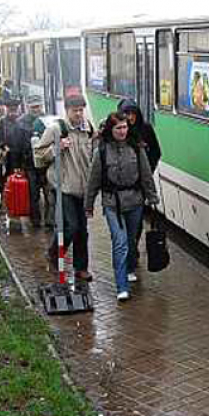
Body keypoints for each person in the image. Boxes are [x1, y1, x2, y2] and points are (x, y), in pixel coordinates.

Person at [85, 112, 159, 302]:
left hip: (135, 202)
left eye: (125, 127)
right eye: (118, 128)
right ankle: (121, 286)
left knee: (131, 240)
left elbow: (145, 174)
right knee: (120, 242)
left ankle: (129, 268)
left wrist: (152, 197)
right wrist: (89, 205)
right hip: (112, 204)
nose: (122, 131)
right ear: (111, 130)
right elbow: (93, 181)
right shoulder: (101, 151)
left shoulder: (136, 148)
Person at [35, 95, 95, 282]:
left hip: (82, 188)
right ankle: (53, 254)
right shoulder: (56, 129)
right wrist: (57, 149)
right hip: (63, 187)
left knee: (82, 231)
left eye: (81, 110)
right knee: (70, 227)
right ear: (67, 110)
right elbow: (38, 156)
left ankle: (81, 268)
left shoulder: (88, 129)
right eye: (74, 110)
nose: (78, 114)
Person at [117, 98, 161, 268]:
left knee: (136, 223)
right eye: (126, 113)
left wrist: (147, 171)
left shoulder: (145, 129)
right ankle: (125, 254)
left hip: (138, 187)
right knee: (121, 226)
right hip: (118, 189)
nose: (129, 117)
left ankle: (132, 252)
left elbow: (156, 151)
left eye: (132, 113)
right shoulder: (116, 130)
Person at [17, 93, 47, 227]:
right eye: (33, 107)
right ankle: (36, 220)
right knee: (33, 194)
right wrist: (18, 165)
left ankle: (50, 222)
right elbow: (17, 146)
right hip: (29, 163)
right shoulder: (21, 123)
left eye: (38, 107)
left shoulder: (47, 120)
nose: (36, 110)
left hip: (46, 162)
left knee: (49, 194)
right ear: (28, 107)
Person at [0, 100, 23, 196]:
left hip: (18, 156)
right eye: (11, 110)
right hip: (5, 157)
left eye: (15, 110)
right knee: (3, 179)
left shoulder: (21, 122)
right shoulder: (1, 123)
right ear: (7, 110)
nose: (13, 113)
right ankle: (4, 196)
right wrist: (3, 145)